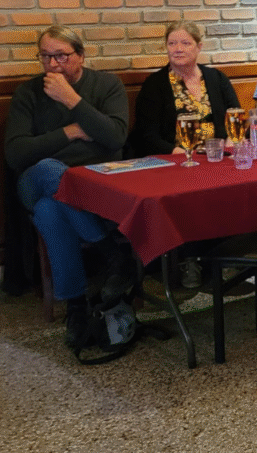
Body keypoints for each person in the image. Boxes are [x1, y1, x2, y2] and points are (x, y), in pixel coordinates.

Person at [4, 26, 131, 346]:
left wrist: (72, 101)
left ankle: (75, 307)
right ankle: (113, 252)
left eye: (61, 56)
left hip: (94, 183)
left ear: (81, 56)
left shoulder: (107, 85)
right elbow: (16, 153)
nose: (53, 64)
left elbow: (115, 138)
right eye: (46, 56)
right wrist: (72, 132)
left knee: (51, 209)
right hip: (35, 181)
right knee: (49, 169)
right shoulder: (28, 93)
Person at [131, 21, 240, 156]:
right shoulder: (154, 84)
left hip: (218, 157)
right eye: (172, 44)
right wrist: (186, 156)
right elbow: (147, 136)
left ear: (199, 47)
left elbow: (235, 118)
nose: (178, 49)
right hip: (176, 159)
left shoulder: (217, 78)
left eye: (185, 43)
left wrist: (230, 147)